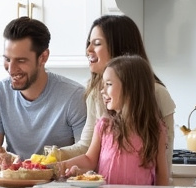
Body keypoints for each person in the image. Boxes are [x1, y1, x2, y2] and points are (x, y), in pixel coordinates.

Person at [56, 13, 176, 169]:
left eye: (97, 43)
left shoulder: (157, 94)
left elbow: (164, 162)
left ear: (120, 48)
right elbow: (87, 147)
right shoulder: (95, 94)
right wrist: (51, 157)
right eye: (89, 43)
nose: (88, 50)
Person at [0, 17, 87, 168]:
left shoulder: (74, 96)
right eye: (7, 59)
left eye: (21, 60)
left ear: (43, 57)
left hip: (58, 185)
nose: (11, 69)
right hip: (13, 184)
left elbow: (86, 157)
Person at [58, 55, 169, 186]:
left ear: (131, 88)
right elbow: (89, 159)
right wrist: (61, 165)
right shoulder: (104, 126)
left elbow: (162, 174)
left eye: (109, 84)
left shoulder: (155, 129)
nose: (102, 90)